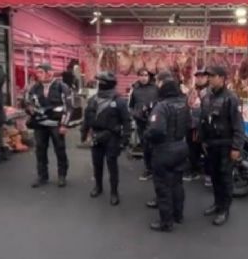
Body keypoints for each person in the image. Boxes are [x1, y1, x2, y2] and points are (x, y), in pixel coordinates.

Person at [144, 74, 191, 232]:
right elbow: (190, 124)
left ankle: (166, 222)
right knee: (177, 183)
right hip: (181, 146)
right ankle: (178, 215)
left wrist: (147, 136)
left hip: (165, 149)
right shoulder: (184, 104)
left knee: (163, 187)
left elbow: (156, 130)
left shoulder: (162, 106)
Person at [199, 65, 245, 226]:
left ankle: (224, 209)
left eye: (212, 76)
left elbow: (239, 125)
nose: (209, 78)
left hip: (226, 145)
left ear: (222, 78)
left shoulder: (231, 98)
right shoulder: (206, 96)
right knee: (215, 177)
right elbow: (203, 120)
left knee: (225, 178)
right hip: (211, 145)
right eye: (208, 76)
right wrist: (203, 140)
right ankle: (217, 203)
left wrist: (236, 147)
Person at [81, 71, 131, 206]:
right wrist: (83, 133)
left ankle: (114, 192)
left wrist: (125, 140)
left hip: (112, 137)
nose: (99, 85)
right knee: (97, 164)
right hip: (96, 135)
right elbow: (87, 118)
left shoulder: (119, 101)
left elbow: (126, 121)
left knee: (112, 165)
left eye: (101, 82)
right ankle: (98, 187)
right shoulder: (93, 99)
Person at [24, 63, 73, 188]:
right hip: (40, 124)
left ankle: (62, 176)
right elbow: (28, 102)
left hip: (56, 124)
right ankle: (42, 176)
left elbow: (68, 108)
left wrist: (64, 125)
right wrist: (29, 108)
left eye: (41, 72)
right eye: (37, 73)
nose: (38, 75)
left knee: (60, 149)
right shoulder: (35, 87)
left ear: (49, 73)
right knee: (40, 150)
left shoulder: (62, 87)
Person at [129, 68, 159, 181]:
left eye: (145, 75)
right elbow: (131, 106)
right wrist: (135, 114)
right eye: (141, 75)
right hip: (141, 122)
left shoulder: (156, 88)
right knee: (145, 146)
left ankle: (156, 168)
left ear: (149, 76)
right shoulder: (135, 90)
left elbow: (161, 104)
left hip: (154, 122)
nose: (143, 77)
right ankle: (148, 169)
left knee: (155, 146)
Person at [186, 69, 211, 186]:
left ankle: (208, 174)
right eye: (198, 76)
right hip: (192, 125)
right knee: (192, 149)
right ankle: (194, 170)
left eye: (202, 76)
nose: (199, 78)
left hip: (203, 125)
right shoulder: (192, 90)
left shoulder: (210, 91)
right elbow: (188, 104)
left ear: (207, 78)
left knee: (206, 150)